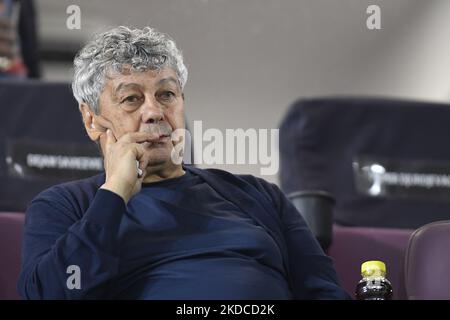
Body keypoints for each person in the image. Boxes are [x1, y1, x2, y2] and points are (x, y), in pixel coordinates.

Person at [17, 26, 349, 299]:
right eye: (131, 99)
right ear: (92, 121)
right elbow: (52, 293)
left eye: (166, 95)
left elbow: (323, 291)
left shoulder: (259, 195)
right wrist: (115, 192)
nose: (154, 112)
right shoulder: (66, 206)